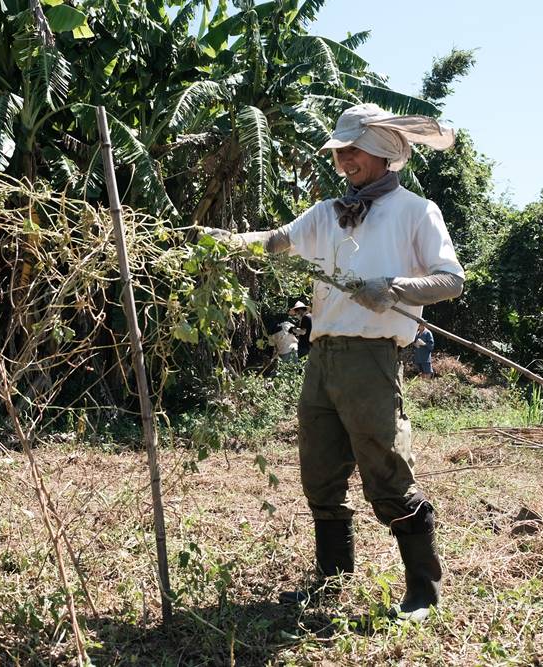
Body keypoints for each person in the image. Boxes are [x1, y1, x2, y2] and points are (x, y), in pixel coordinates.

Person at [204, 103, 464, 622]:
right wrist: (229, 242)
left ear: (386, 153)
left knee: (384, 469)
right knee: (319, 470)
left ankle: (423, 591)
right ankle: (332, 581)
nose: (343, 158)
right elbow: (277, 240)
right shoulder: (327, 212)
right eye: (340, 150)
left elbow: (451, 280)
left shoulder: (416, 210)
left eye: (353, 149)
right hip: (321, 357)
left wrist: (392, 288)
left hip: (372, 358)